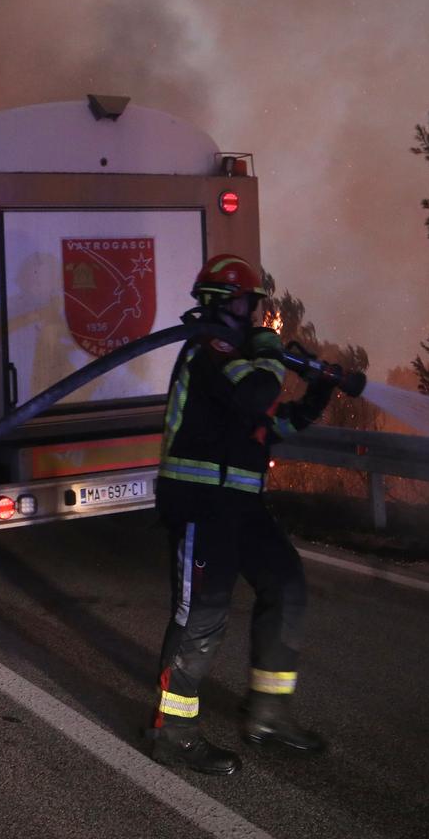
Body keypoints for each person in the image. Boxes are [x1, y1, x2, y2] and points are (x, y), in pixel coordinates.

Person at [148, 254, 336, 775]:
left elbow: (269, 425)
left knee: (286, 584)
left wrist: (319, 391)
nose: (254, 314)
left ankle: (268, 716)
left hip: (241, 503)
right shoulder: (211, 349)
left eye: (255, 305)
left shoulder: (239, 358)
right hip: (200, 504)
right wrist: (272, 350)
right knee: (202, 617)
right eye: (246, 303)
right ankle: (172, 733)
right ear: (220, 303)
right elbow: (256, 396)